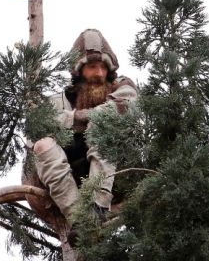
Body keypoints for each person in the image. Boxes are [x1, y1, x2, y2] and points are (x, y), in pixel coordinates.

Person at [32, 29, 138, 219]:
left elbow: (121, 108)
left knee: (103, 123)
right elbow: (40, 125)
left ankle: (98, 208)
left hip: (117, 177)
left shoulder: (122, 86)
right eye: (92, 67)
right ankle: (81, 222)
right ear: (79, 71)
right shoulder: (57, 102)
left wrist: (74, 118)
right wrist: (77, 119)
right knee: (42, 145)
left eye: (104, 67)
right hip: (67, 182)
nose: (99, 73)